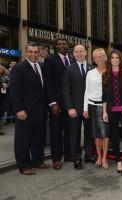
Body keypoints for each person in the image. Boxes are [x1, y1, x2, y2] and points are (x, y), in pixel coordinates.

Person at [10, 43, 49, 175]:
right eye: (30, 52)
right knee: (23, 139)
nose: (33, 54)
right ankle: (23, 165)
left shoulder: (41, 67)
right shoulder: (19, 68)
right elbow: (14, 91)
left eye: (36, 52)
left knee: (38, 138)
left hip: (40, 110)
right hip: (25, 111)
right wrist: (19, 109)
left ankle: (37, 161)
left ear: (39, 53)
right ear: (26, 52)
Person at [62, 44, 94, 170]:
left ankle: (89, 155)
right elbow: (66, 90)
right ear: (73, 54)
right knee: (74, 133)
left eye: (81, 51)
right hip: (75, 108)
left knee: (89, 132)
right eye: (76, 52)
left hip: (90, 107)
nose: (79, 54)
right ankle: (76, 158)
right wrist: (69, 107)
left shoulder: (92, 68)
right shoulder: (69, 69)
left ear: (86, 53)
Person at [44, 39, 73, 169]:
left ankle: (68, 154)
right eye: (59, 44)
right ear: (56, 46)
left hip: (70, 103)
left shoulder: (72, 60)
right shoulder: (50, 60)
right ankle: (56, 158)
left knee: (69, 130)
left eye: (64, 44)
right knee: (56, 132)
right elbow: (48, 83)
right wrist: (52, 102)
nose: (62, 46)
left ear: (68, 46)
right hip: (56, 103)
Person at [83, 48, 109, 169]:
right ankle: (98, 155)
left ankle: (105, 158)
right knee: (96, 135)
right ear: (94, 59)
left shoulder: (110, 72)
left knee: (105, 134)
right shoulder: (90, 73)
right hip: (92, 106)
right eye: (96, 57)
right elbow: (87, 91)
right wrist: (85, 109)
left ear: (105, 57)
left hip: (106, 106)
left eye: (101, 56)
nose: (99, 59)